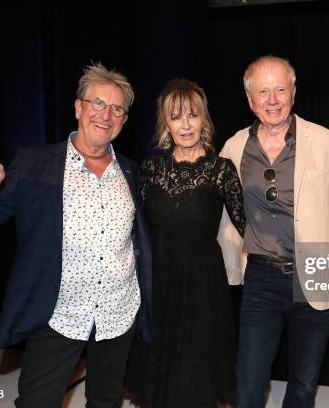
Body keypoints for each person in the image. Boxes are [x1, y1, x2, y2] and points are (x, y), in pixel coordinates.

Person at [0, 62, 152, 408]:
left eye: (117, 109)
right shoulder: (35, 164)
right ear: (78, 107)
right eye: (98, 103)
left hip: (118, 314)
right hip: (59, 315)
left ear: (124, 120)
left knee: (106, 401)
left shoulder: (131, 171)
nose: (106, 115)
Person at [217, 55, 329, 407]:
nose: (272, 100)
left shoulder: (328, 142)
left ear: (293, 93)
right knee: (248, 380)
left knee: (304, 383)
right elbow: (226, 213)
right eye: (262, 91)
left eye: (279, 89)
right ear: (250, 100)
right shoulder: (233, 147)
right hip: (261, 279)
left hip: (314, 275)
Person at [124, 79, 245, 407]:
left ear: (203, 120)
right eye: (176, 117)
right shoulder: (149, 170)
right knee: (159, 362)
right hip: (158, 280)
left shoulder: (221, 171)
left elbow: (249, 226)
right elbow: (133, 228)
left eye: (192, 115)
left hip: (203, 282)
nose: (186, 124)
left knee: (197, 362)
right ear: (166, 124)